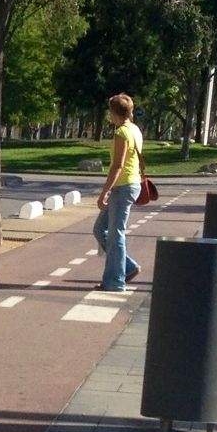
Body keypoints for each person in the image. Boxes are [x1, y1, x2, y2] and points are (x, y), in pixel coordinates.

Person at [94, 93, 144, 292]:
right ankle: (128, 267)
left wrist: (104, 192)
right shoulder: (135, 129)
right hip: (129, 184)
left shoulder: (122, 133)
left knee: (116, 234)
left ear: (114, 113)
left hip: (123, 186)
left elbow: (117, 166)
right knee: (100, 229)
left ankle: (115, 281)